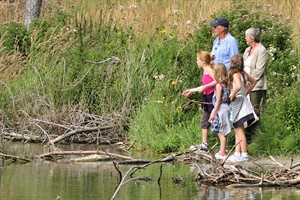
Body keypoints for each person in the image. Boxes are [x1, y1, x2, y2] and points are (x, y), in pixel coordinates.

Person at [182, 51, 217, 152]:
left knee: (215, 120)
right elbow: (202, 87)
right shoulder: (205, 70)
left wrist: (205, 87)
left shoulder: (209, 70)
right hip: (205, 97)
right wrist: (191, 91)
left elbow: (218, 81)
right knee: (204, 120)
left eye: (197, 60)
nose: (196, 62)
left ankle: (222, 146)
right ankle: (204, 144)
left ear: (203, 61)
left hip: (211, 98)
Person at [227, 55, 256, 163]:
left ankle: (244, 154)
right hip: (244, 102)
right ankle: (237, 153)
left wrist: (232, 95)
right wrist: (246, 93)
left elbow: (238, 86)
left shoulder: (235, 74)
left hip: (239, 103)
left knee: (240, 130)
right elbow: (254, 82)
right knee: (237, 128)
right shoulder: (244, 74)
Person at [243, 27, 268, 140]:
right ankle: (247, 136)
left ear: (252, 38)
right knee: (246, 110)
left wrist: (250, 81)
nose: (245, 38)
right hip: (245, 83)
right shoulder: (247, 50)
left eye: (246, 36)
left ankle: (256, 137)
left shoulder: (261, 50)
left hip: (256, 85)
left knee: (254, 110)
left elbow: (259, 70)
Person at [209, 63, 232, 160]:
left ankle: (222, 152)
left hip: (220, 109)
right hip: (226, 108)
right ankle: (223, 150)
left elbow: (218, 100)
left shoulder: (219, 86)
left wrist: (214, 111)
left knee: (220, 131)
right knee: (224, 130)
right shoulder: (226, 84)